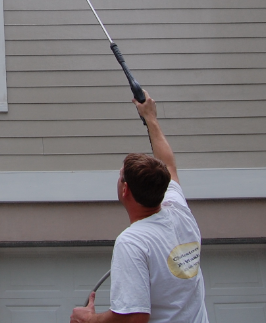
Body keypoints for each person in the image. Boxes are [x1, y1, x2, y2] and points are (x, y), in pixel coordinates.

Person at [70, 93, 208, 323]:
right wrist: (150, 118)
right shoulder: (178, 210)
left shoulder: (133, 242)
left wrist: (89, 319)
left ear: (125, 191)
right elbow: (169, 164)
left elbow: (135, 318)